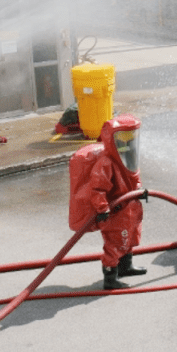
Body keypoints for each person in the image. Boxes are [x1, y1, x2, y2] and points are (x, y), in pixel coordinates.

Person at [69, 114, 147, 290]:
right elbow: (97, 190)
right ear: (113, 140)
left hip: (129, 208)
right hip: (115, 212)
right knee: (116, 243)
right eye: (122, 139)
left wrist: (139, 191)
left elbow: (133, 177)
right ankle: (110, 279)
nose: (127, 143)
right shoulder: (106, 163)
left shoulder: (127, 157)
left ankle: (125, 267)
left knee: (131, 237)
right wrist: (103, 208)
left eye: (131, 138)